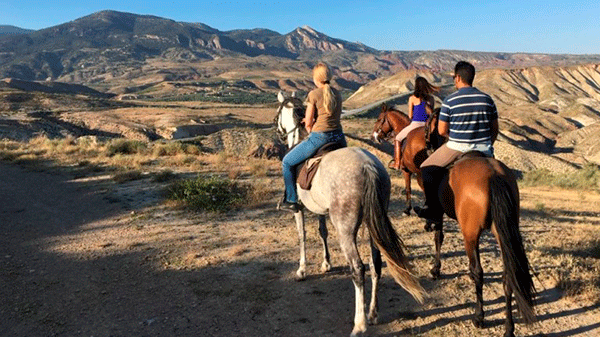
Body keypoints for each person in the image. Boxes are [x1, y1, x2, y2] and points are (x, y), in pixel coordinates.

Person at [414, 61, 499, 225]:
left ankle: (432, 210)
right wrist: (487, 144)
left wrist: (454, 137)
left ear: (458, 78)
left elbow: (441, 131)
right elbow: (494, 129)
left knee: (426, 169)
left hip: (457, 146)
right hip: (484, 148)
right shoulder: (487, 99)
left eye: (454, 78)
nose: (454, 80)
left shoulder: (450, 100)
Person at [279, 62, 347, 212]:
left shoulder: (313, 94)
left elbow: (308, 123)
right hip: (339, 138)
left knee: (287, 162)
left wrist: (309, 126)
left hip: (320, 137)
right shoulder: (338, 93)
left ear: (316, 79)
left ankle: (291, 199)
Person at [389, 76, 439, 170]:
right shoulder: (431, 98)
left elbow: (410, 116)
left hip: (416, 124)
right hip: (427, 126)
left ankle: (397, 163)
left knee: (398, 138)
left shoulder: (412, 98)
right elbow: (431, 114)